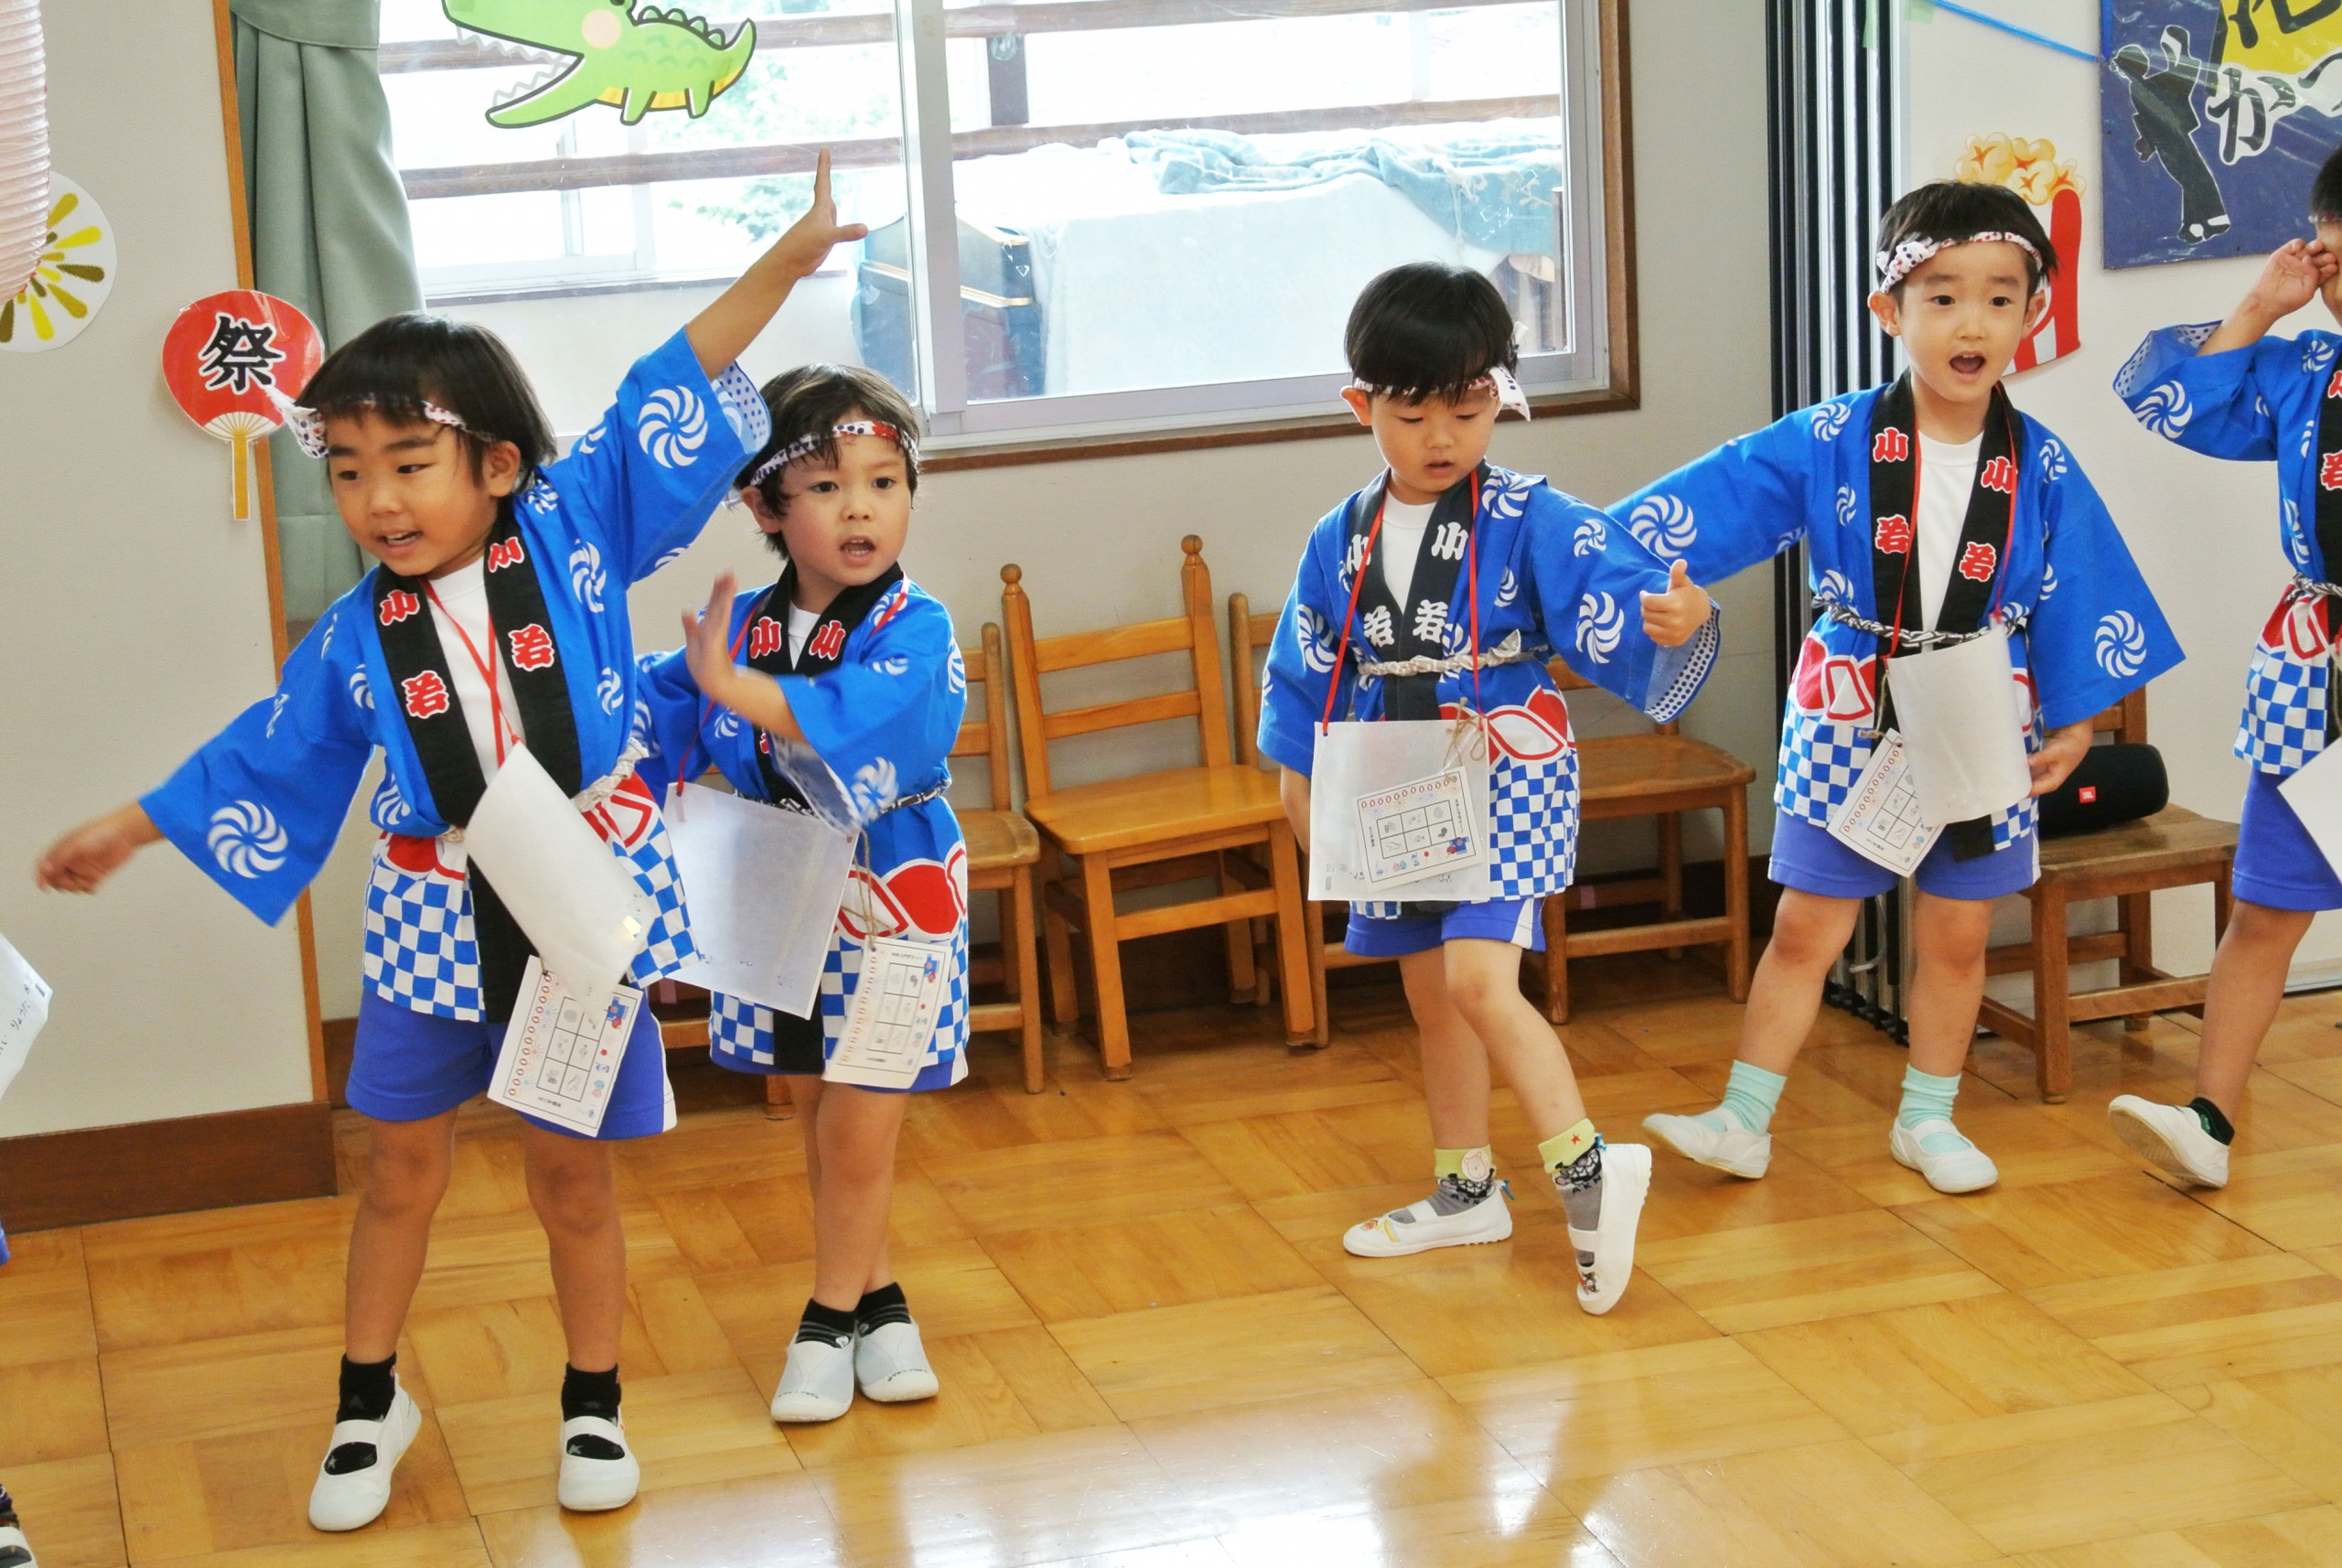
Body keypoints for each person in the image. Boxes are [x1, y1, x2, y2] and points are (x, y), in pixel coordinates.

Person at [34, 156, 865, 1529]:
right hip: (430, 916)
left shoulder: (578, 523)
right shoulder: (354, 632)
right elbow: (267, 752)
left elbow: (676, 375)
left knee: (569, 1173)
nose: (378, 500)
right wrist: (131, 826)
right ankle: (370, 1399)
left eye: (408, 464)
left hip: (579, 902)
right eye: (348, 471)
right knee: (401, 1168)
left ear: (497, 462)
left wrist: (787, 259)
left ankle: (593, 1402)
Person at [1635, 180, 2183, 1194]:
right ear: (1887, 309)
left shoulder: (2041, 462)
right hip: (1852, 697)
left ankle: (1928, 1118)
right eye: (1942, 297)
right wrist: (1671, 592)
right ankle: (1742, 1118)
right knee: (1807, 923)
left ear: (2032, 311)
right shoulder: (1828, 437)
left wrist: (2074, 720)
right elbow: (1692, 518)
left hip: (1982, 700)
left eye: (1999, 298)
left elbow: (2081, 587)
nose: (1972, 324)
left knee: (1958, 930)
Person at [1254, 262, 1722, 1312]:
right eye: (1410, 413)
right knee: (1432, 996)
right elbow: (1302, 667)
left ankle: (1589, 1169)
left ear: (1499, 396)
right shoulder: (1340, 535)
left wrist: (1676, 615)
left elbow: (1620, 589)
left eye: (1465, 411)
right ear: (1360, 405)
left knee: (1476, 980)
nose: (1440, 437)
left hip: (1506, 764)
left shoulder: (1529, 514)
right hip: (1392, 771)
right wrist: (1301, 785)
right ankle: (1466, 1189)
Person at [639, 363, 965, 1421]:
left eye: (883, 481)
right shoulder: (739, 630)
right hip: (774, 876)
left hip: (892, 880)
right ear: (763, 506)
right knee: (820, 1109)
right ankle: (881, 1302)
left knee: (863, 1119)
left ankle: (824, 1320)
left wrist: (735, 689)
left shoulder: (916, 625)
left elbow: (864, 717)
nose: (861, 507)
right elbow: (646, 725)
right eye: (825, 486)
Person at [2106, 145, 2342, 1188]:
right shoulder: (2307, 374)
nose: (2336, 283)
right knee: (2268, 903)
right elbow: (2166, 397)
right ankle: (2208, 1120)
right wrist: (2261, 305)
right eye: (2331, 260)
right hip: (2315, 670)